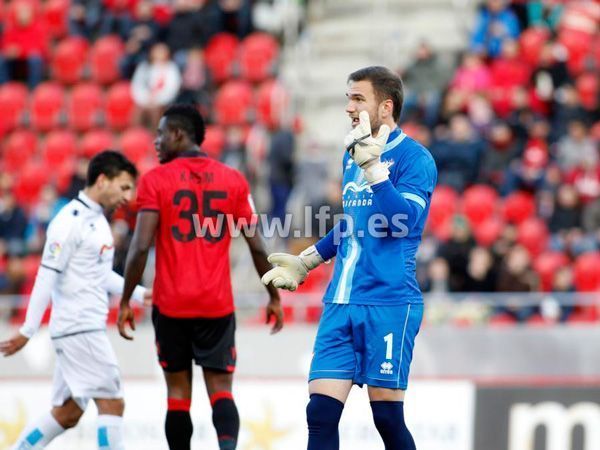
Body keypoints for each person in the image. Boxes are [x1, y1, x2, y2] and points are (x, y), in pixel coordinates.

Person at [261, 66, 437, 449]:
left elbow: (402, 223)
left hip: (389, 302)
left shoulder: (415, 159)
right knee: (320, 413)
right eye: (347, 99)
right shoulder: (351, 155)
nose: (349, 107)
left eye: (358, 99)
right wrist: (308, 259)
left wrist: (374, 170)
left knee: (387, 418)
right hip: (341, 301)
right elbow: (355, 223)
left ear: (386, 106)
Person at [117, 104, 283, 450]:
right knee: (221, 391)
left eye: (161, 134)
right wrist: (274, 296)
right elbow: (256, 245)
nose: (156, 142)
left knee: (178, 395)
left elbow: (140, 247)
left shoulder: (155, 180)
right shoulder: (233, 179)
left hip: (171, 304)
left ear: (178, 134)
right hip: (216, 304)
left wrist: (124, 301)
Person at [0, 151, 151, 450]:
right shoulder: (69, 221)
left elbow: (100, 275)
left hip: (80, 327)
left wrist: (140, 293)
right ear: (102, 180)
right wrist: (28, 329)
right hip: (79, 327)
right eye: (123, 187)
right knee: (112, 403)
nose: (128, 196)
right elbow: (47, 274)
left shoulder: (98, 221)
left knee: (68, 413)